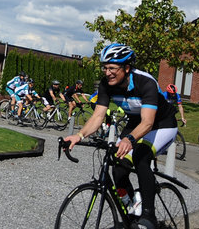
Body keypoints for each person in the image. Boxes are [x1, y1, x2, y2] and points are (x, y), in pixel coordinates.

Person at [64, 43, 178, 229]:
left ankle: (148, 217)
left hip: (162, 125)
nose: (107, 72)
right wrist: (79, 135)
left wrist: (129, 140)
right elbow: (98, 116)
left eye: (112, 68)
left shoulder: (145, 82)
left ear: (126, 68)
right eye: (105, 67)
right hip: (135, 123)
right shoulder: (106, 84)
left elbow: (148, 123)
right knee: (117, 165)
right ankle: (133, 207)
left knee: (141, 156)